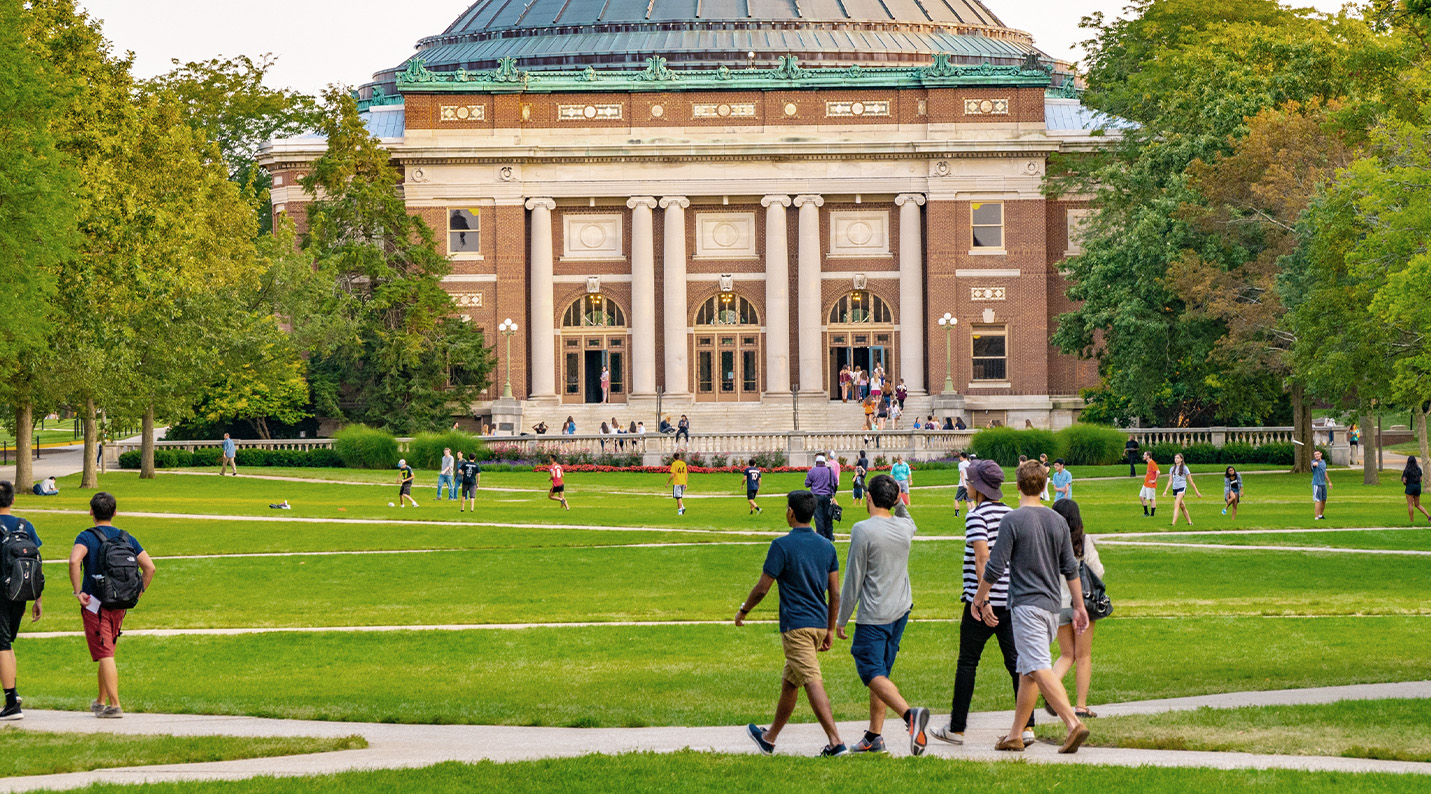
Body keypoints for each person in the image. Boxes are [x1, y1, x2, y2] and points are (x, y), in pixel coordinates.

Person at [972, 460, 1090, 754]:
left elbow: (995, 566)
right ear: (1045, 486)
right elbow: (1070, 568)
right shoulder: (1057, 521)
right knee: (1027, 671)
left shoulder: (1012, 520)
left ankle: (1073, 723)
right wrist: (1079, 606)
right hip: (1052, 607)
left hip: (1026, 606)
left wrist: (980, 597)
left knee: (1037, 666)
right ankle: (1015, 735)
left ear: (1017, 486)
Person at [930, 461, 1034, 747]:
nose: (967, 484)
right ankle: (1026, 726)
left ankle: (958, 727)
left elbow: (982, 559)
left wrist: (982, 598)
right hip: (1011, 600)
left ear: (979, 487)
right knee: (1017, 663)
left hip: (982, 601)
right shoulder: (1012, 514)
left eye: (970, 481)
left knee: (967, 662)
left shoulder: (977, 516)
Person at [738, 490, 847, 758]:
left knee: (811, 679)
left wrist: (744, 610)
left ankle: (836, 743)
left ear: (791, 513)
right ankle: (769, 738)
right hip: (819, 625)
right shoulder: (827, 546)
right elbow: (835, 593)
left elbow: (763, 588)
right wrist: (831, 628)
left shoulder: (781, 546)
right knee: (791, 681)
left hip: (796, 626)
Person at [836, 474, 928, 755]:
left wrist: (841, 619)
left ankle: (910, 716)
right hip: (900, 610)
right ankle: (874, 735)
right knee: (882, 672)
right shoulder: (904, 527)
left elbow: (853, 578)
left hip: (875, 614)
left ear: (869, 498)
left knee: (870, 669)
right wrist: (898, 500)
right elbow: (908, 519)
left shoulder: (863, 530)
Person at [68, 492, 156, 719]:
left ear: (91, 512)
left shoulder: (86, 537)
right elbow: (150, 568)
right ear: (115, 512)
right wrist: (138, 593)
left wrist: (78, 592)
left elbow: (74, 560)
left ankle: (115, 705)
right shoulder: (126, 538)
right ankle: (100, 701)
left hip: (95, 603)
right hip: (120, 602)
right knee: (106, 650)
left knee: (105, 652)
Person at [1047, 499, 1103, 721]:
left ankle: (1049, 688)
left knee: (1066, 654)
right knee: (1083, 656)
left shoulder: (1048, 542)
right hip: (1083, 603)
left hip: (1058, 604)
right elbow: (1097, 570)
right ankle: (1080, 705)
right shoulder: (1083, 541)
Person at [0, 482, 42, 720]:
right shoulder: (26, 526)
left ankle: (11, 704)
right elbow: (36, 564)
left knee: (2, 645)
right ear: (13, 500)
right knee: (7, 643)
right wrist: (38, 599)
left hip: (0, 593)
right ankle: (13, 694)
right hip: (21, 592)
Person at [804, 455, 839, 541]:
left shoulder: (812, 471)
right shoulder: (830, 471)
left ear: (816, 463)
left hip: (816, 496)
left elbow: (807, 484)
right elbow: (835, 482)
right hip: (828, 496)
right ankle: (830, 536)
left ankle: (821, 536)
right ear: (824, 462)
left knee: (819, 517)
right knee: (828, 516)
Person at [1162, 452, 1201, 527]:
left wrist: (1197, 492)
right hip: (1175, 488)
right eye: (1175, 458)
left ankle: (1173, 523)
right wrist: (1165, 490)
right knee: (1182, 506)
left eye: (1177, 458)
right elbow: (1170, 480)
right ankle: (1190, 522)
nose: (1176, 459)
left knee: (1176, 504)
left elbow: (1190, 481)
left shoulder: (1185, 468)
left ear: (1181, 459)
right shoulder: (1172, 469)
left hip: (1182, 488)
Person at [1404, 456, 1430, 524]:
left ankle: (1411, 521)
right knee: (1417, 504)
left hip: (1410, 487)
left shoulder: (1406, 470)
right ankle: (1428, 516)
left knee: (1410, 505)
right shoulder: (1418, 469)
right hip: (1417, 487)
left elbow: (1404, 480)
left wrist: (1407, 483)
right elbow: (1421, 479)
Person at [1311, 449, 1331, 520]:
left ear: (1321, 454)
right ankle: (1316, 517)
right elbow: (1313, 465)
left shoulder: (1323, 462)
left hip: (1323, 484)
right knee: (1318, 500)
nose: (1316, 455)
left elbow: (1325, 472)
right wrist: (1314, 464)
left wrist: (1329, 482)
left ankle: (1320, 515)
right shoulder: (1313, 462)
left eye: (1318, 454)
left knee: (1324, 500)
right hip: (1317, 484)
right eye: (1315, 454)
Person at [669, 452, 689, 516]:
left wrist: (668, 482)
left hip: (677, 482)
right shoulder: (683, 463)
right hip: (683, 482)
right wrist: (686, 483)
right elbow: (686, 474)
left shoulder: (674, 464)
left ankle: (680, 511)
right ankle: (682, 506)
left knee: (678, 497)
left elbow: (672, 474)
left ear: (674, 458)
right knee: (678, 496)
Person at [1139, 452, 1159, 517]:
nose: (1143, 456)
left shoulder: (1152, 463)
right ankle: (1146, 512)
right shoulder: (1149, 463)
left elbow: (1158, 472)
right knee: (1141, 497)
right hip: (1146, 483)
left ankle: (1152, 514)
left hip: (1150, 484)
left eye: (1144, 455)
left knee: (1151, 499)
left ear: (1148, 456)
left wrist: (1154, 480)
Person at [954, 452, 972, 517]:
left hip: (962, 484)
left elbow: (962, 473)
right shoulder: (970, 464)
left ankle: (956, 513)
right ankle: (971, 513)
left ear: (961, 457)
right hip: (969, 483)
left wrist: (963, 483)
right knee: (968, 500)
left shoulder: (961, 464)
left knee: (957, 499)